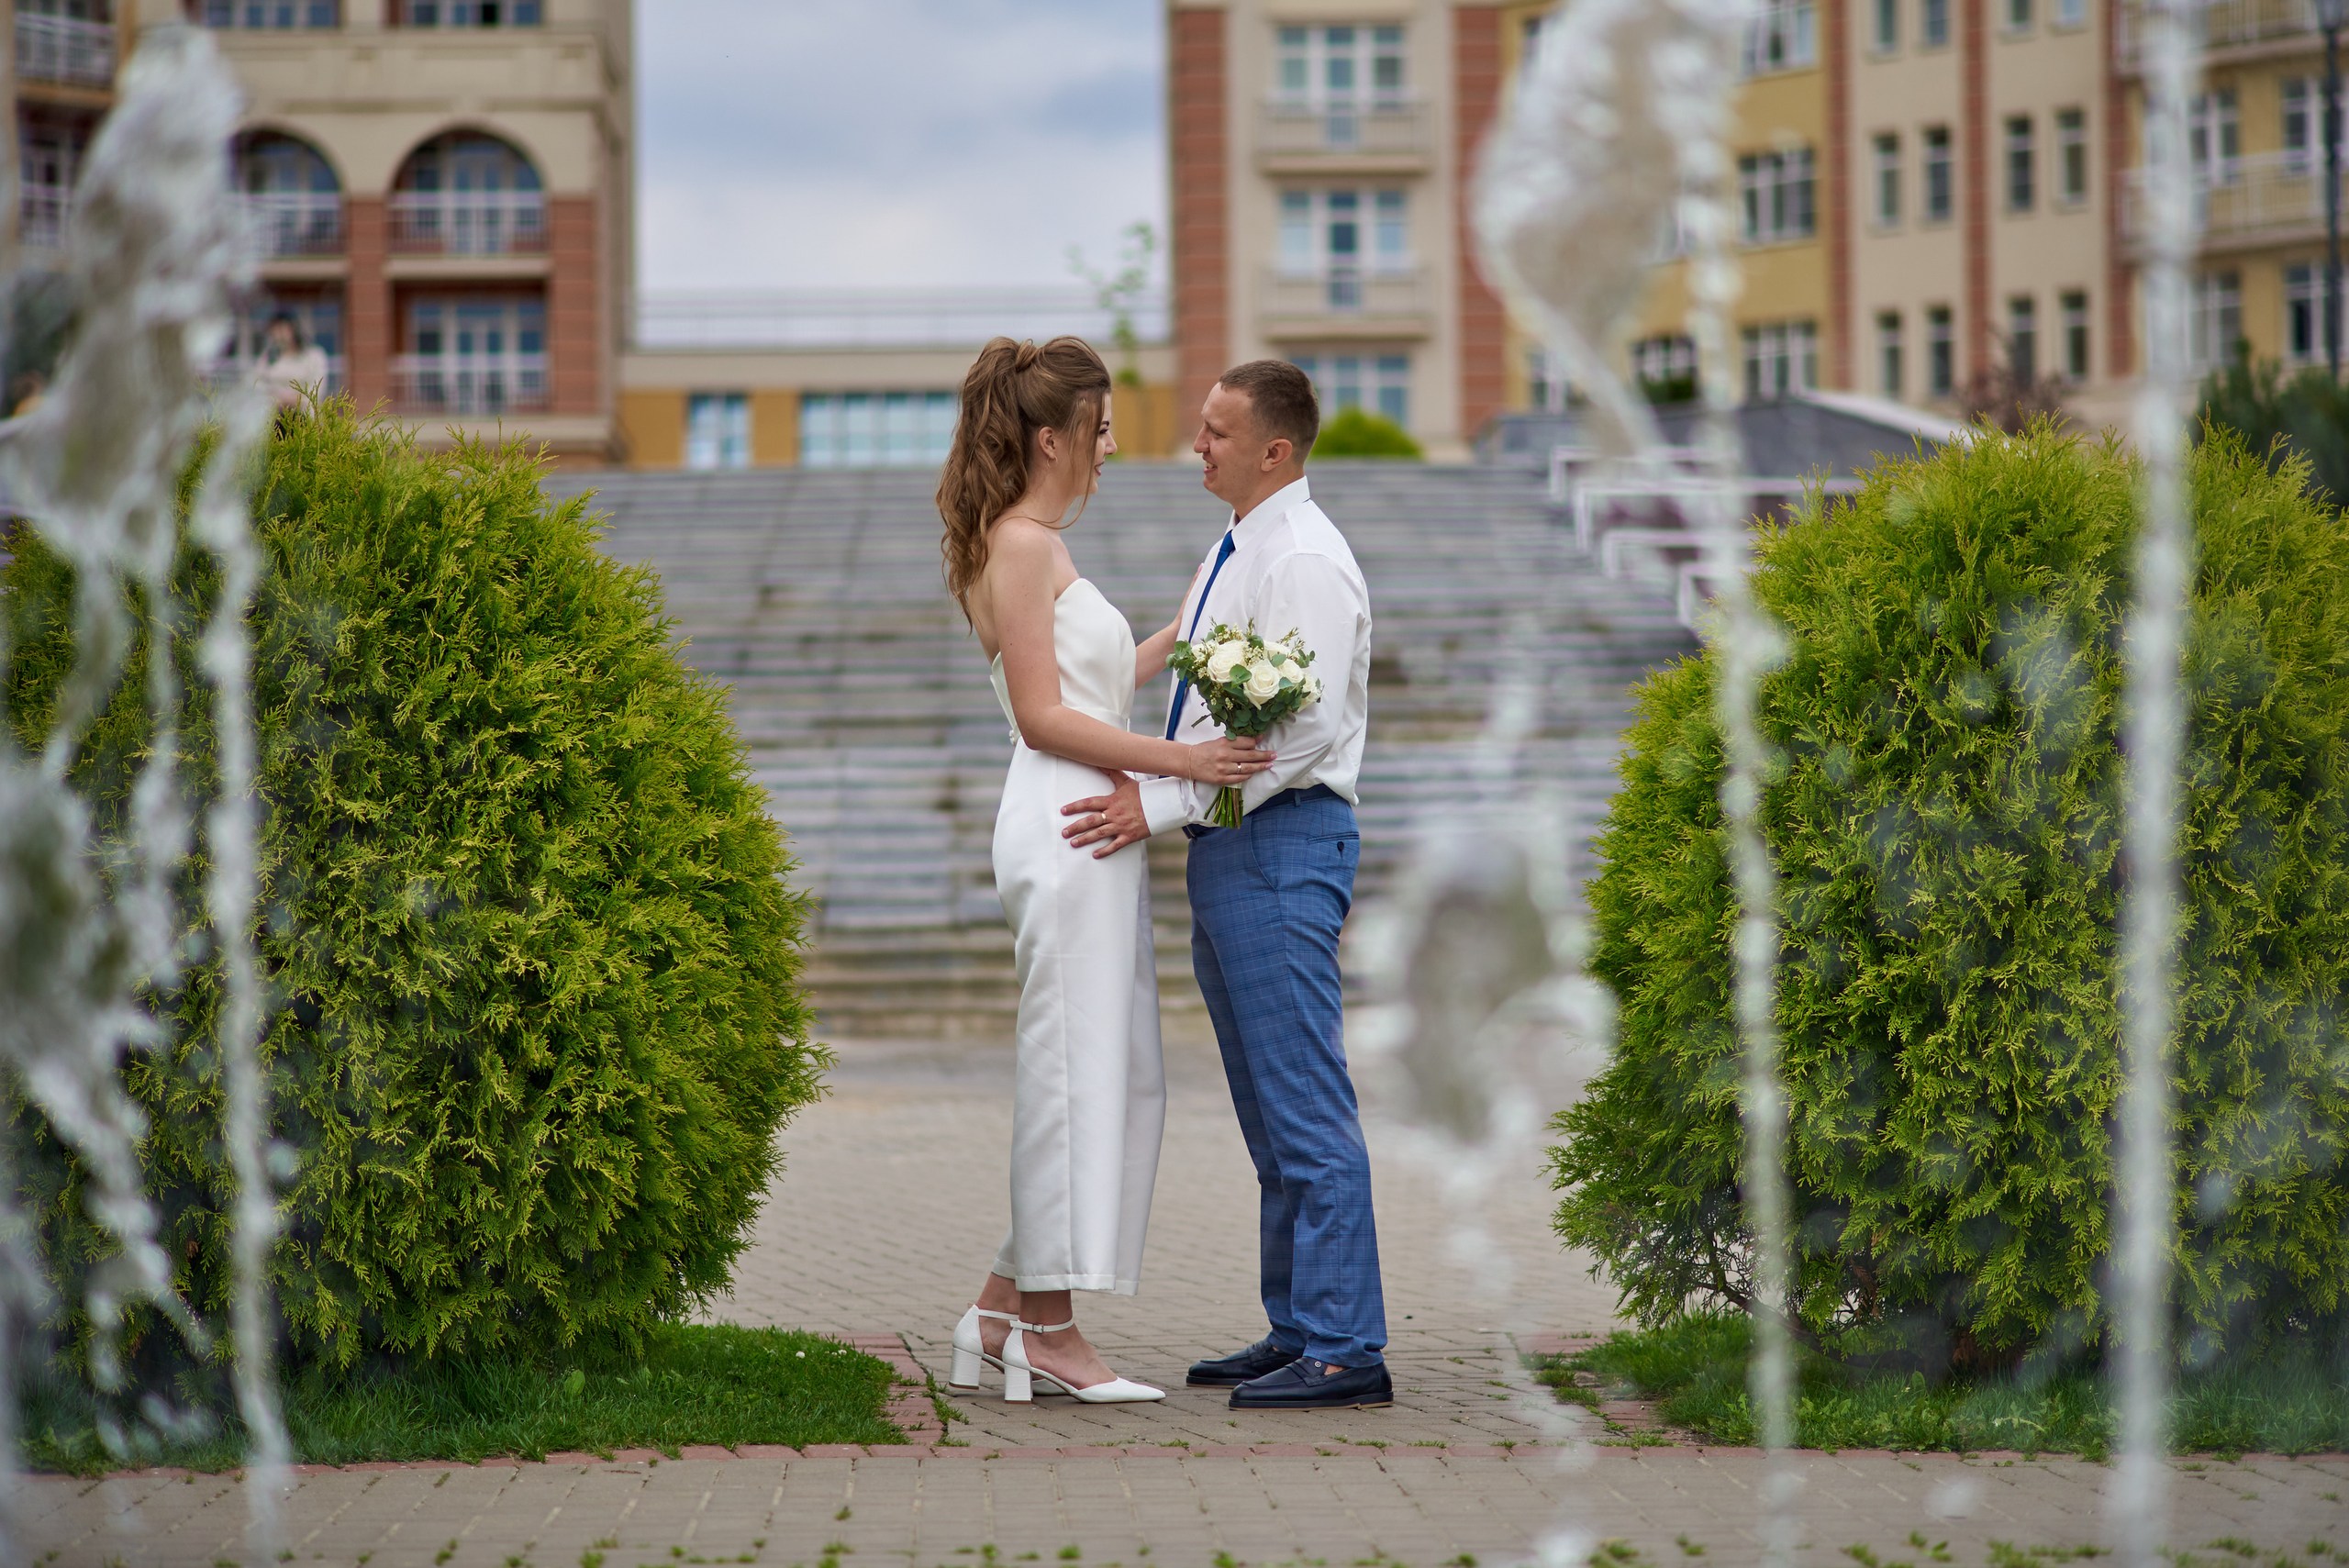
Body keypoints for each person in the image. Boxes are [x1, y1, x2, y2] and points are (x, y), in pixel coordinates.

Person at [937, 336, 1276, 1405]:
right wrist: (1185, 761)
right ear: (1051, 436)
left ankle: (996, 1311)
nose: (1112, 445)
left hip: (1076, 817)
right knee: (1074, 1073)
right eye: (1098, 427)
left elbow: (1089, 684)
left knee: (1096, 1067)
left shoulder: (1024, 542)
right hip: (1069, 816)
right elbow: (1044, 718)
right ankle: (1051, 1332)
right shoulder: (1023, 543)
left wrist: (1190, 627)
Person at [1061, 361, 1389, 1412]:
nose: (1194, 445)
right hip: (1236, 847)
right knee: (1266, 1106)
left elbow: (1303, 734)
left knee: (1304, 1100)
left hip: (1283, 842)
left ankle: (1346, 1345)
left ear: (1274, 449)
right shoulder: (1240, 544)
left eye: (1214, 432)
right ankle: (1298, 1323)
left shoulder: (1303, 561)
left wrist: (1154, 808)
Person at [253, 314, 328, 409]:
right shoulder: (267, 357)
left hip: (305, 413)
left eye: (281, 330)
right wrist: (277, 400)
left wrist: (296, 400)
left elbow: (317, 389)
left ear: (293, 329)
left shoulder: (314, 356)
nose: (277, 336)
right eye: (274, 331)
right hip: (274, 414)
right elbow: (258, 385)